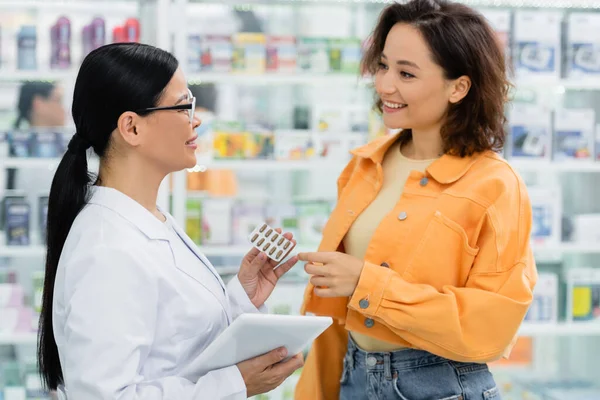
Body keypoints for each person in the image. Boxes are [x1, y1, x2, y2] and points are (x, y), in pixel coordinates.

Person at [294, 1, 537, 399]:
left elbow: (493, 327)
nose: (385, 84)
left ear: (459, 87)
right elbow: (335, 310)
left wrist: (367, 284)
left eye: (406, 73)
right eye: (383, 65)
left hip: (439, 385)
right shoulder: (364, 165)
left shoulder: (494, 185)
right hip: (351, 376)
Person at [37, 43, 303, 400]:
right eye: (183, 106)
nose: (196, 119)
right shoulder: (107, 248)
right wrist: (235, 383)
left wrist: (241, 299)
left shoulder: (149, 219)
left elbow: (178, 346)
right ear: (131, 127)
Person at [6, 81, 66, 190]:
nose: (64, 109)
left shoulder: (68, 145)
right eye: (58, 101)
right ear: (38, 104)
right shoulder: (16, 149)